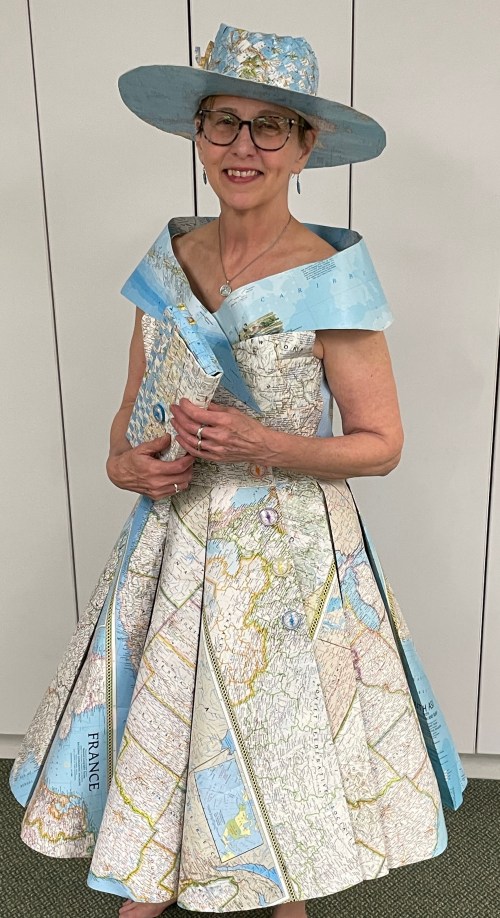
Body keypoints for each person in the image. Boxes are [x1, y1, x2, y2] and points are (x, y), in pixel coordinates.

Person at [10, 22, 466, 918]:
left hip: (289, 551)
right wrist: (125, 464)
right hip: (175, 537)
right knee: (169, 711)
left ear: (305, 146)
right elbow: (129, 413)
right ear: (198, 134)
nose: (242, 147)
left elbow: (381, 443)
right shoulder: (170, 262)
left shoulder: (332, 280)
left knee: (272, 720)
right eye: (224, 121)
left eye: (270, 126)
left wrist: (268, 445)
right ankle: (155, 871)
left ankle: (281, 887)